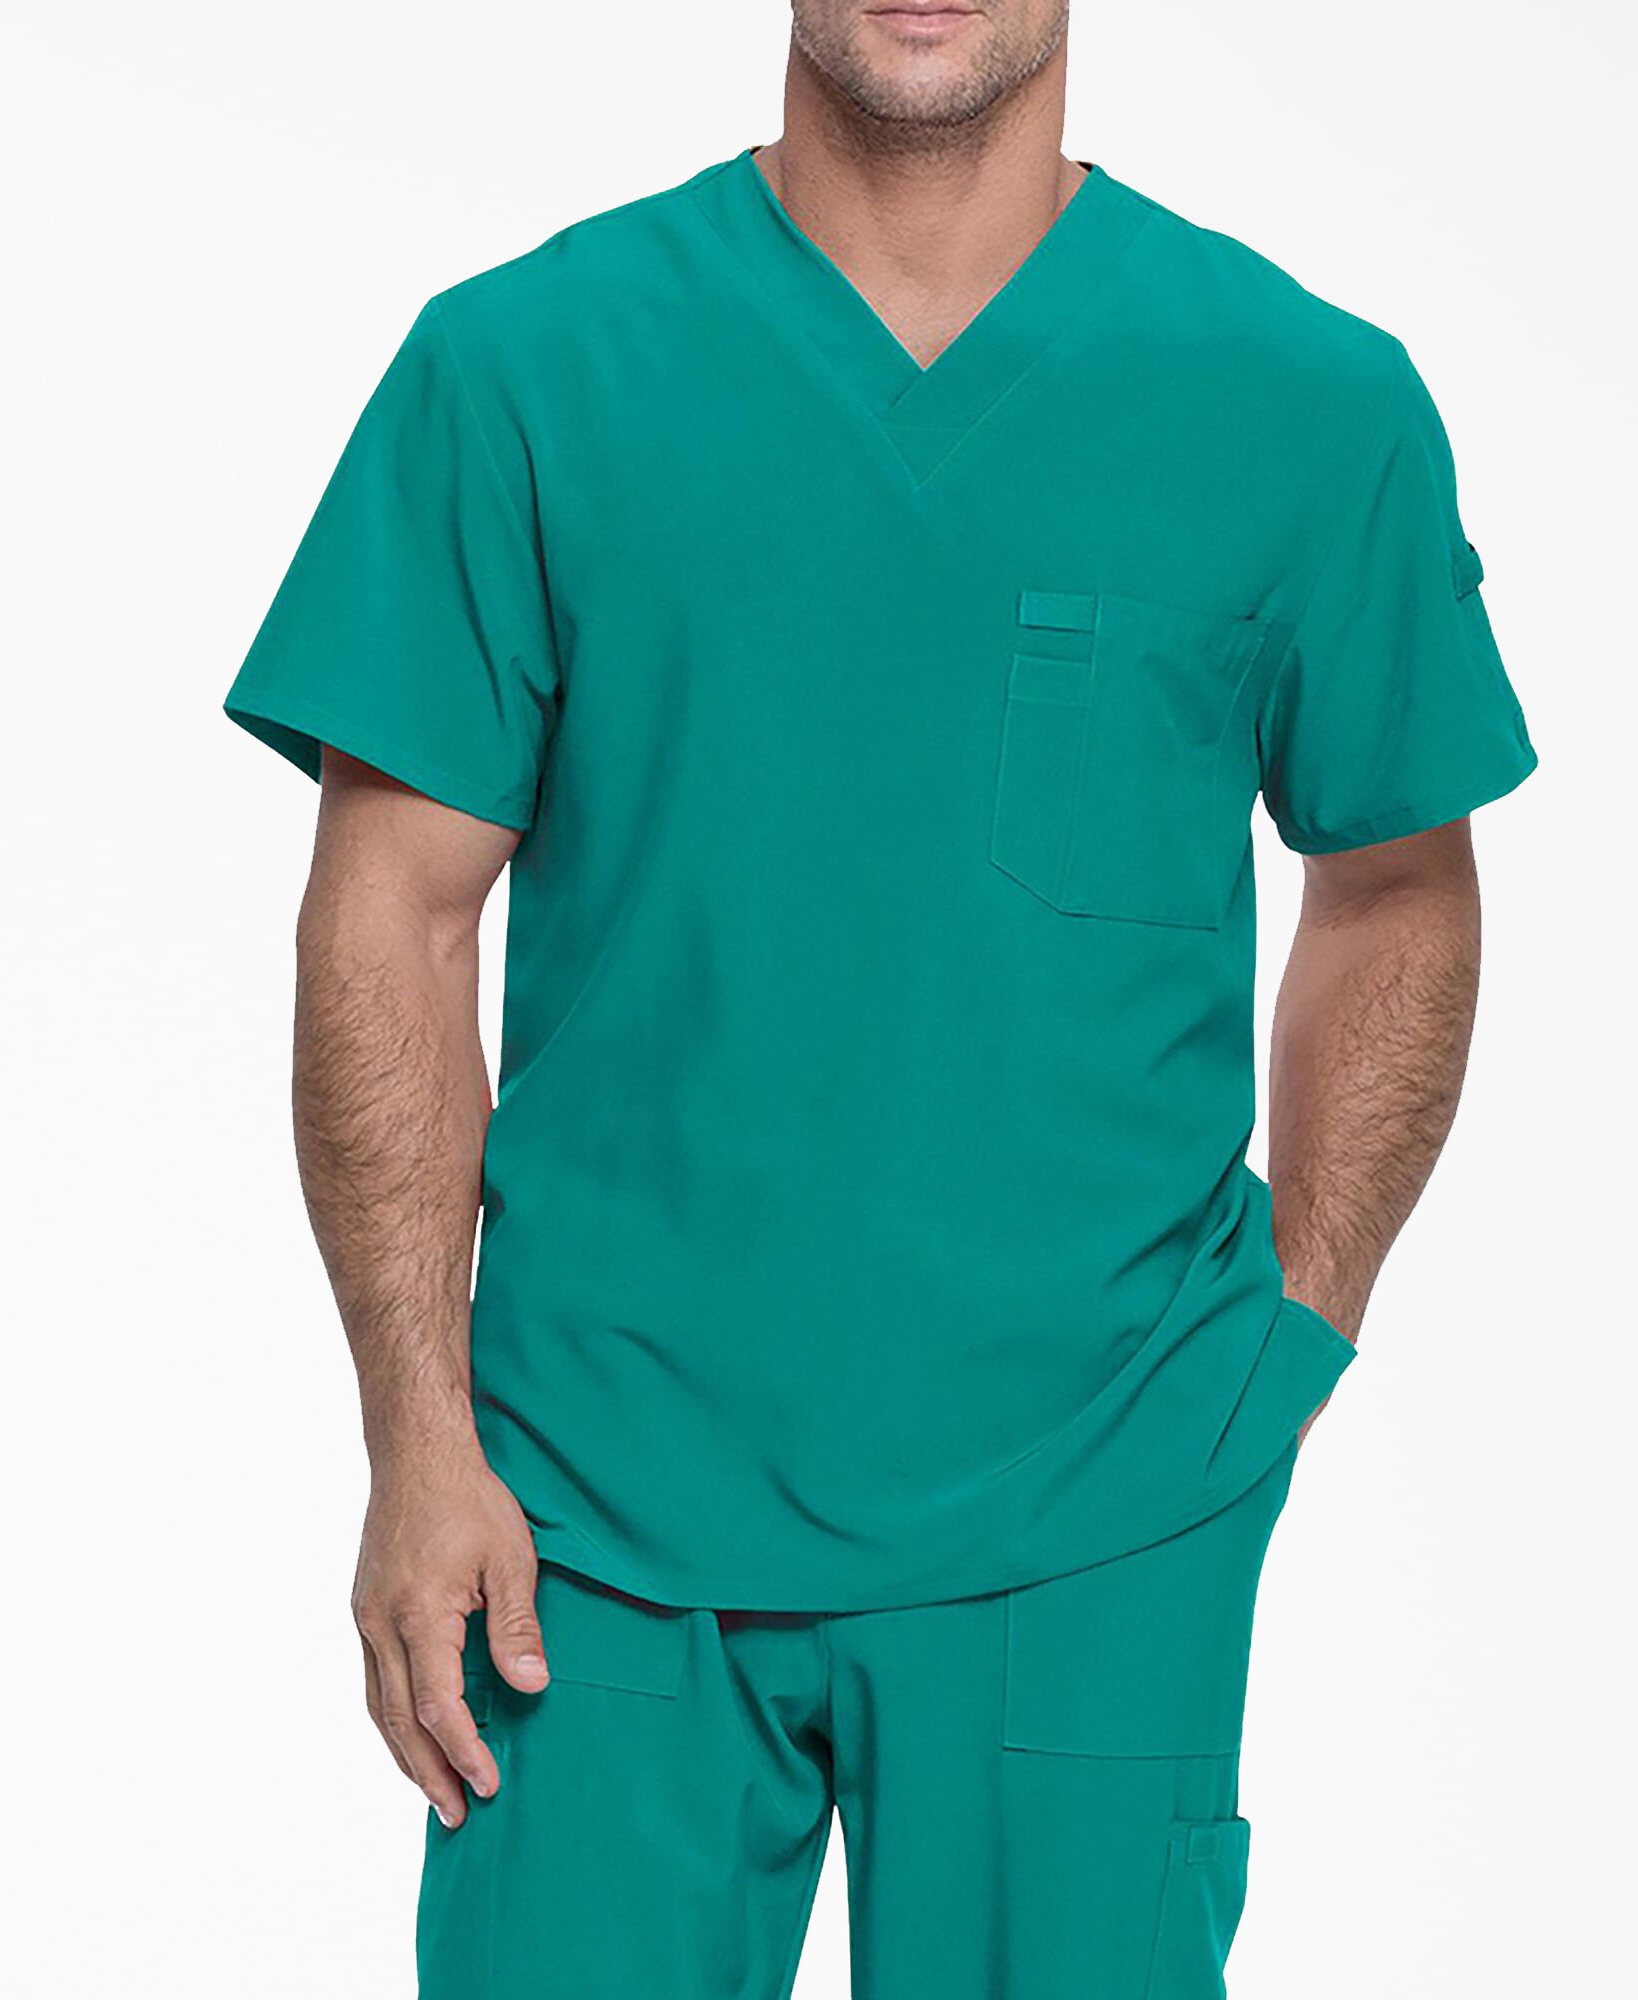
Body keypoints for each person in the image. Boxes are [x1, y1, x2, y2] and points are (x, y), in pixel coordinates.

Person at [225, 3, 1535, 1992]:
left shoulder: (1301, 400)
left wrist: (1296, 1323)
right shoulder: (525, 370)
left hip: (1098, 1513)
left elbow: (1396, 885)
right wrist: (416, 1437)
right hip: (584, 1522)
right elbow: (388, 916)